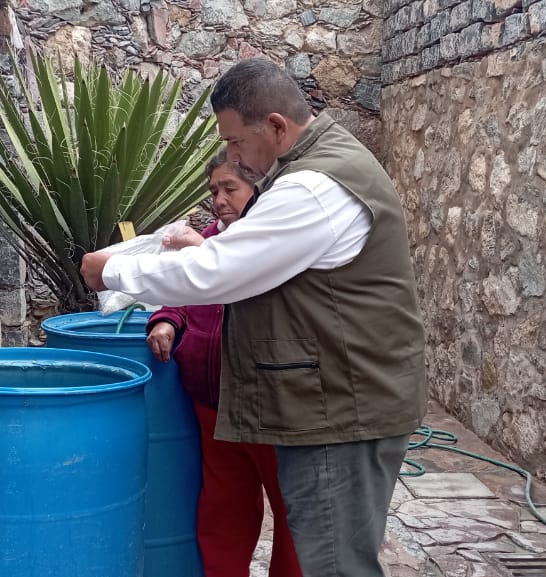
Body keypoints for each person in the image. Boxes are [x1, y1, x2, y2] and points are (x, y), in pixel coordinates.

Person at [81, 58, 427, 577]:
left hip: (342, 409)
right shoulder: (317, 169)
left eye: (236, 142)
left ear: (276, 127)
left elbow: (219, 270)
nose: (233, 156)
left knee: (332, 564)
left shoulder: (313, 188)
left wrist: (112, 271)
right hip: (336, 400)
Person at [146, 151, 303, 577]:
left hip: (267, 407)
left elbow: (248, 286)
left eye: (230, 188)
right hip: (212, 404)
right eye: (213, 190)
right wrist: (166, 320)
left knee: (292, 510)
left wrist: (203, 251)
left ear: (259, 191)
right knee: (223, 507)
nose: (218, 200)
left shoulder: (274, 246)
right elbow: (182, 293)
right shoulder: (208, 240)